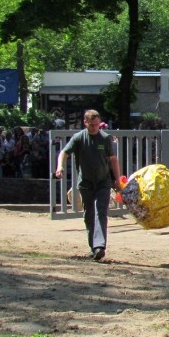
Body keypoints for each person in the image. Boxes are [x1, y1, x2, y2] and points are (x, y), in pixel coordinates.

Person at [55, 109, 122, 262]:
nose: (93, 127)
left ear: (99, 123)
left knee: (101, 212)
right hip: (85, 183)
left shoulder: (105, 139)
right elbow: (64, 152)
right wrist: (60, 167)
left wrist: (117, 179)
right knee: (89, 215)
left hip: (103, 182)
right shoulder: (78, 138)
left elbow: (113, 160)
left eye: (96, 124)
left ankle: (100, 246)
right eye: (91, 125)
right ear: (85, 123)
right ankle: (94, 247)